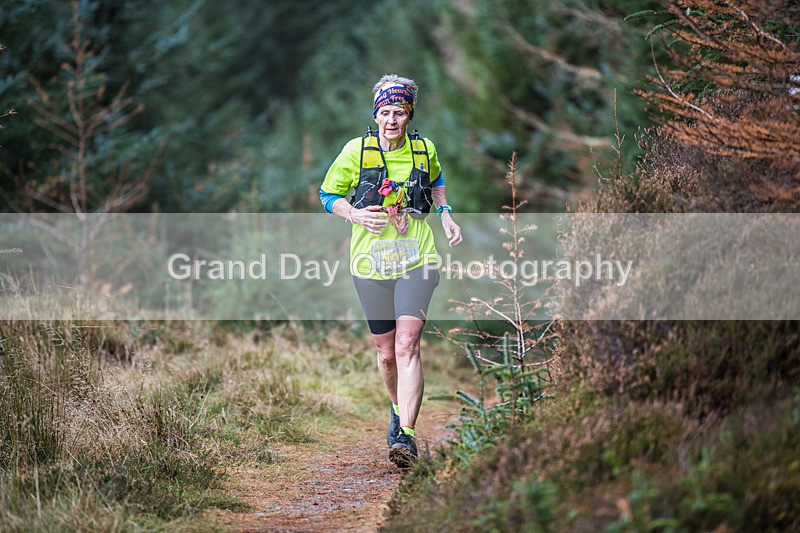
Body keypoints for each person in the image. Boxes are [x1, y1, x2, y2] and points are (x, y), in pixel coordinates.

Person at [319, 74, 462, 468]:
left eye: (399, 112)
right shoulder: (356, 151)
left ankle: (407, 437)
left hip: (418, 259)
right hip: (370, 264)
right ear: (375, 115)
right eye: (385, 112)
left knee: (407, 345)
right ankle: (397, 411)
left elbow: (436, 180)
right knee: (386, 354)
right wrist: (354, 214)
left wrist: (446, 214)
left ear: (409, 114)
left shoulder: (423, 149)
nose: (391, 120)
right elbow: (328, 194)